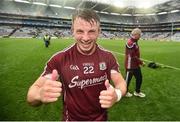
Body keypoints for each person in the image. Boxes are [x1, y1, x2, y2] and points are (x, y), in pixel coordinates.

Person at [27, 9, 127, 121]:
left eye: (91, 31)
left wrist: (117, 95)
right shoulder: (60, 59)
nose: (85, 38)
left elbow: (120, 83)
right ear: (72, 31)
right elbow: (31, 96)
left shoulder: (108, 57)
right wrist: (39, 94)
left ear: (99, 31)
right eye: (80, 31)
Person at [124, 28, 146, 98]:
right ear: (136, 35)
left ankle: (137, 91)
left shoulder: (135, 42)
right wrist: (141, 62)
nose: (140, 36)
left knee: (139, 78)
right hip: (130, 65)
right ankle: (125, 92)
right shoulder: (130, 43)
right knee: (127, 80)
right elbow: (132, 56)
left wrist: (139, 62)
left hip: (135, 65)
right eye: (139, 35)